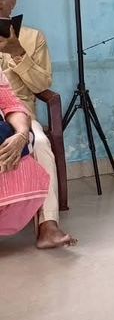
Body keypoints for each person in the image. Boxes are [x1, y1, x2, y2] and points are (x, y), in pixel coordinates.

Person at [0, 0, 72, 248]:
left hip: (21, 115)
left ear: (12, 2)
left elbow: (43, 85)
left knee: (40, 143)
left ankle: (48, 225)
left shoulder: (32, 37)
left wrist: (18, 53)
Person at [0, 71, 52, 239]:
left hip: (12, 123)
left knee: (37, 142)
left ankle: (48, 224)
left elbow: (11, 104)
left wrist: (22, 134)